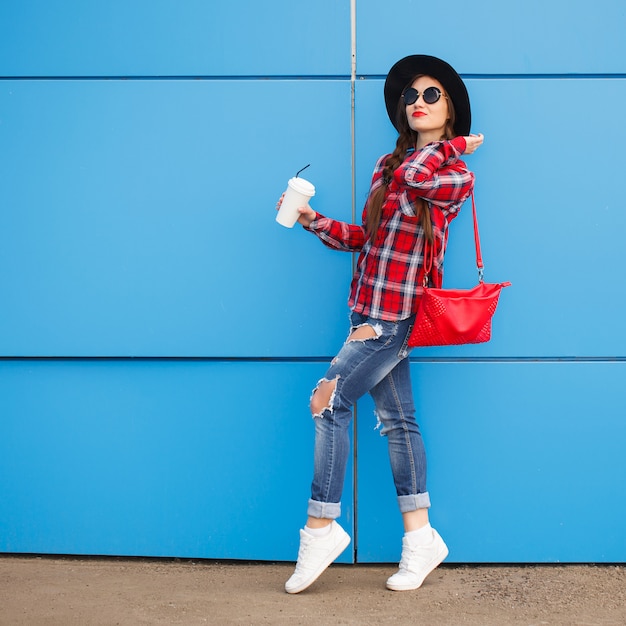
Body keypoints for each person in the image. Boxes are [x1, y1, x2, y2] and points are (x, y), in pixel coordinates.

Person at [277, 55, 484, 594]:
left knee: (328, 399)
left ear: (451, 109)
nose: (417, 102)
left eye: (431, 95)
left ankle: (319, 528)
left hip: (396, 317)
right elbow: (368, 238)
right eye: (410, 96)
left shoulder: (455, 173)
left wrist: (453, 146)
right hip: (365, 309)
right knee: (397, 422)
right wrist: (311, 221)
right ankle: (422, 540)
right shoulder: (385, 165)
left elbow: (420, 177)